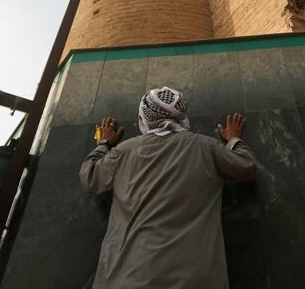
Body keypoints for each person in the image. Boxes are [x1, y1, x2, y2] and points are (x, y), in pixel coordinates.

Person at [79, 86, 257, 289]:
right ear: (181, 116)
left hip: (128, 277)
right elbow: (247, 167)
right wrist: (234, 139)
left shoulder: (124, 152)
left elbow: (90, 176)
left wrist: (104, 143)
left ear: (143, 117)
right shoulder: (205, 147)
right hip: (196, 278)